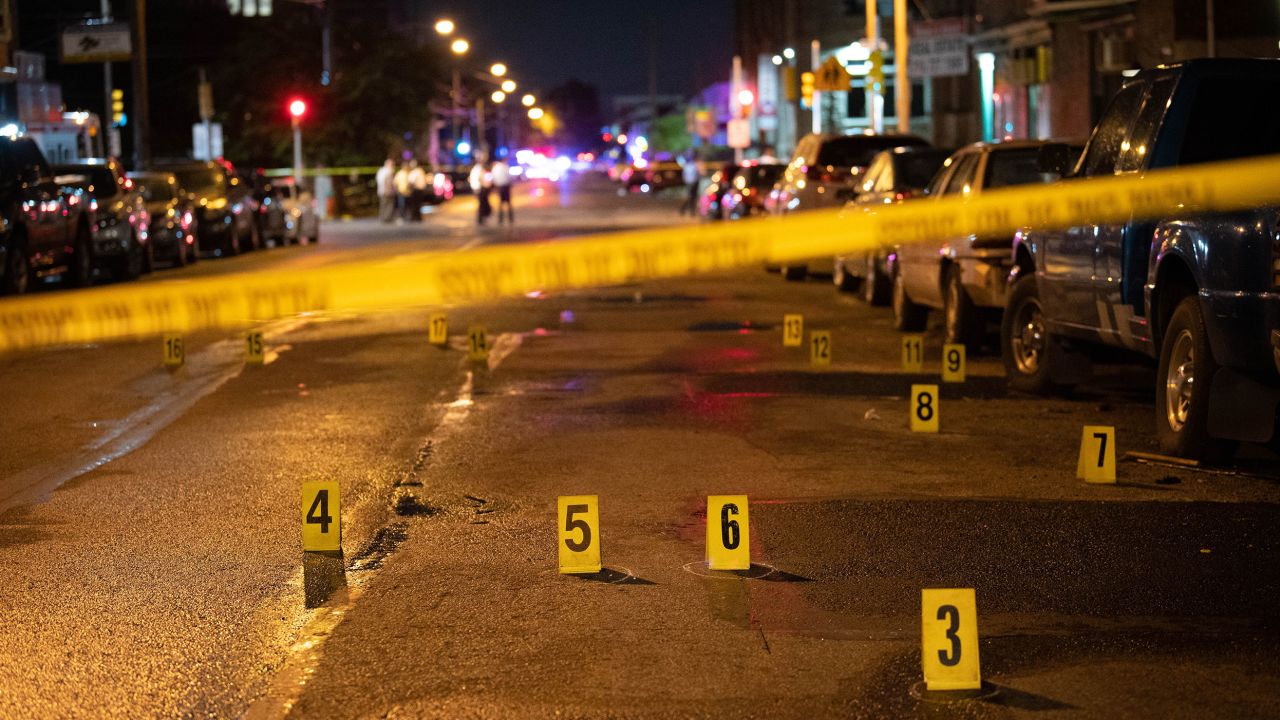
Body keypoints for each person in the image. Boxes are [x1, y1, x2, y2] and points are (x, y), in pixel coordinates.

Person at [469, 160, 493, 225]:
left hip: (477, 188)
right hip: (479, 188)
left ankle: (481, 219)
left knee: (481, 204)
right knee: (482, 204)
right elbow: (480, 178)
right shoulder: (479, 169)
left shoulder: (475, 169)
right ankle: (480, 219)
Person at [491, 157, 513, 224]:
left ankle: (500, 219)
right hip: (505, 186)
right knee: (508, 203)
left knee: (500, 203)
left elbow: (493, 177)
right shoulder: (505, 167)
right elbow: (509, 176)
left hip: (499, 187)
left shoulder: (495, 167)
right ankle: (510, 218)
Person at [375, 158, 396, 223]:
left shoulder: (382, 171)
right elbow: (385, 182)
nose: (393, 165)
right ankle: (385, 218)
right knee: (387, 205)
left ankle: (385, 218)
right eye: (392, 164)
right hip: (386, 191)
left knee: (386, 205)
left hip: (384, 191)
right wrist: (387, 190)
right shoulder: (387, 171)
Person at [679, 152, 700, 216]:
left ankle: (690, 211)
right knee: (690, 198)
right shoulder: (692, 166)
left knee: (692, 198)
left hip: (693, 183)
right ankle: (685, 210)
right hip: (691, 183)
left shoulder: (691, 165)